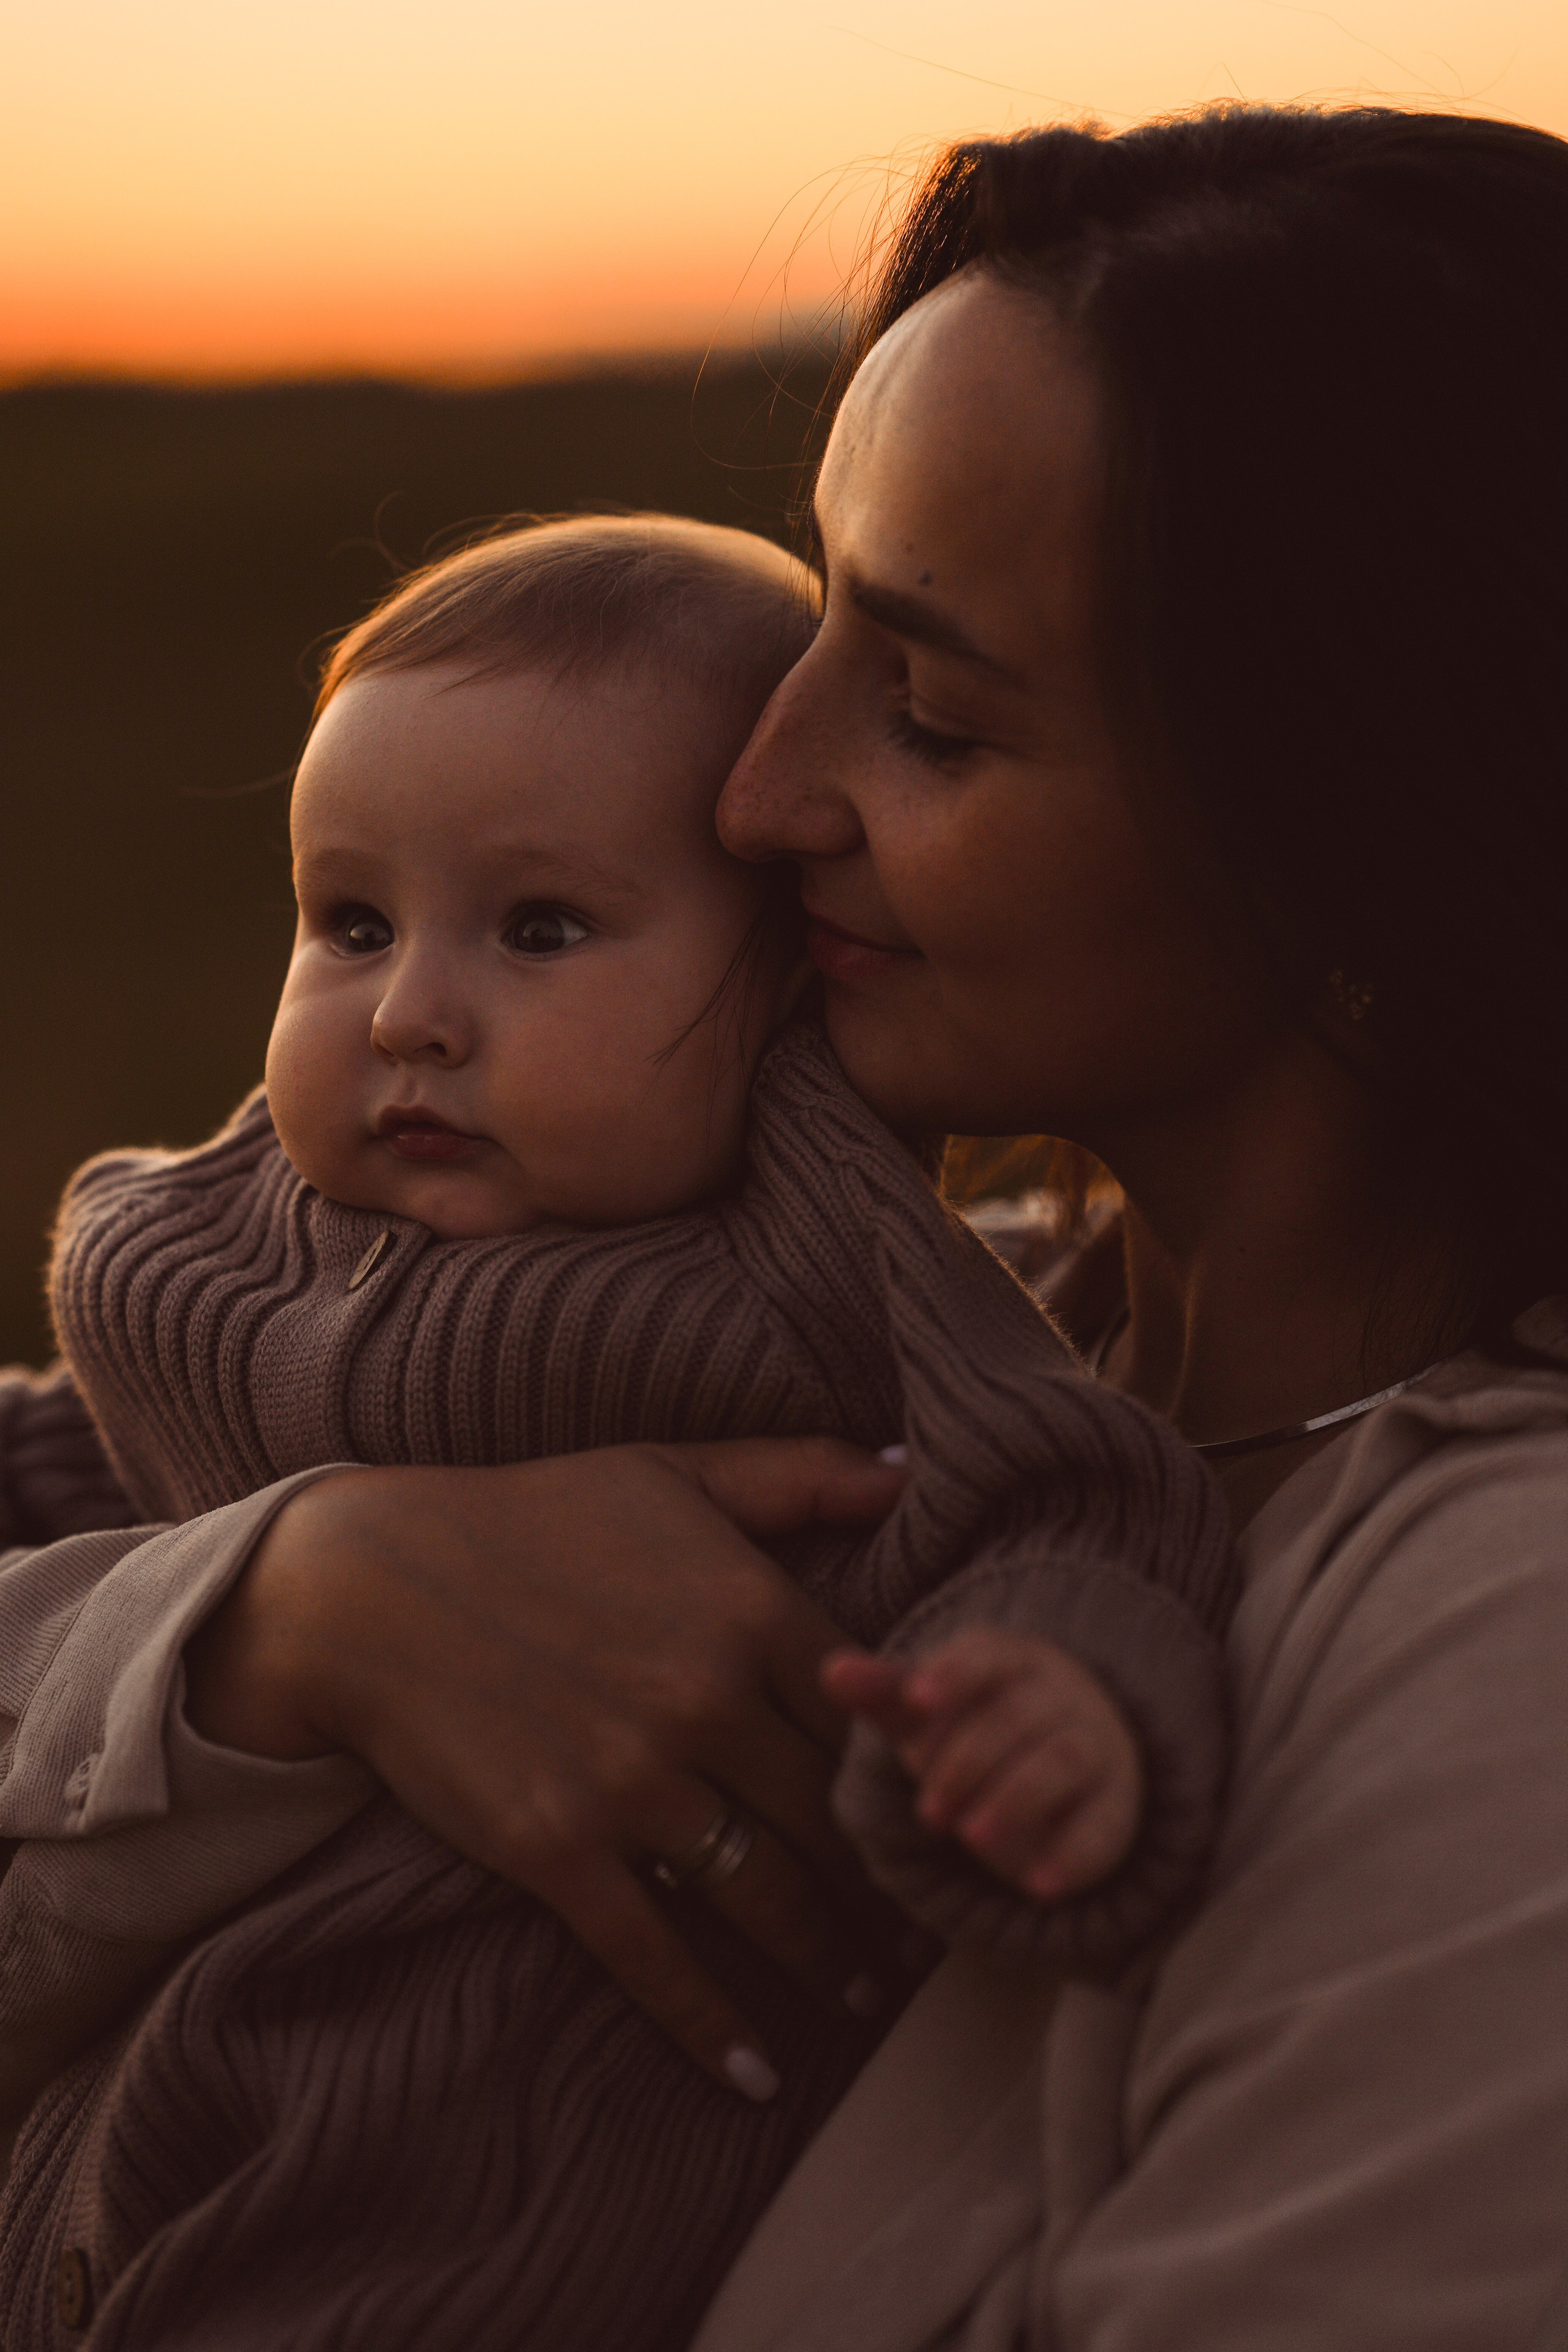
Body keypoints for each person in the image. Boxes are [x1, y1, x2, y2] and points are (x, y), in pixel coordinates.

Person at [4, 91, 1566, 2350]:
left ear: (1364, 848)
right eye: (814, 619)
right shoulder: (879, 1305)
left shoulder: (1497, 1643)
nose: (753, 791)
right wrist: (282, 1614)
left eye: (928, 712)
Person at [0, 514, 1233, 2345]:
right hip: (101, 2180)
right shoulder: (224, 1242)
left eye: (543, 929)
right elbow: (82, 1460)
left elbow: (1063, 1499)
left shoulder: (825, 1269)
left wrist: (1058, 1699)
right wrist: (232, 1590)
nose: (411, 1016)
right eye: (351, 922)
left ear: (793, 984)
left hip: (473, 2204)